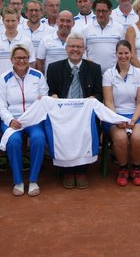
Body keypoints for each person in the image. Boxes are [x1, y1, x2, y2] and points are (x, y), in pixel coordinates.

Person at [46, 33, 103, 189]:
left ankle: (81, 171)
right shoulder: (53, 68)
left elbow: (99, 93)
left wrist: (93, 98)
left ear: (84, 49)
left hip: (84, 116)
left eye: (79, 47)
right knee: (63, 133)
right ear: (66, 48)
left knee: (88, 131)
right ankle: (67, 171)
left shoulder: (94, 68)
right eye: (72, 46)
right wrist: (53, 95)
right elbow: (49, 91)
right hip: (63, 117)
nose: (75, 50)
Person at [0, 44, 49, 197]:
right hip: (13, 120)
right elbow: (0, 106)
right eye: (17, 58)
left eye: (24, 57)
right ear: (11, 59)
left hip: (34, 120)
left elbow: (44, 98)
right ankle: (18, 181)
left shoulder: (38, 75)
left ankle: (33, 180)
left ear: (29, 59)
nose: (21, 61)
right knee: (14, 142)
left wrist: (41, 103)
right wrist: (10, 120)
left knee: (38, 139)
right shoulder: (3, 79)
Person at [102, 40, 140, 186]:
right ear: (116, 54)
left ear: (131, 54)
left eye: (126, 53)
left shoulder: (139, 73)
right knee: (121, 138)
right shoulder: (109, 74)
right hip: (114, 115)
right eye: (120, 53)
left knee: (138, 137)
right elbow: (108, 102)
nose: (123, 56)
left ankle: (136, 168)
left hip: (136, 115)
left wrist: (133, 120)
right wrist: (117, 119)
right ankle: (122, 169)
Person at [0, 7, 35, 76]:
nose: (10, 24)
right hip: (1, 84)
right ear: (3, 21)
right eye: (7, 21)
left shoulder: (27, 41)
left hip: (21, 84)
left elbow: (30, 64)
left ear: (18, 21)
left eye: (13, 20)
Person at [82, 0, 124, 74]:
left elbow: (123, 51)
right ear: (94, 12)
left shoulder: (119, 29)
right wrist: (87, 61)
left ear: (110, 11)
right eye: (98, 11)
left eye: (104, 11)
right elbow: (82, 50)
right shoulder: (86, 29)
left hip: (114, 73)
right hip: (92, 73)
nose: (101, 14)